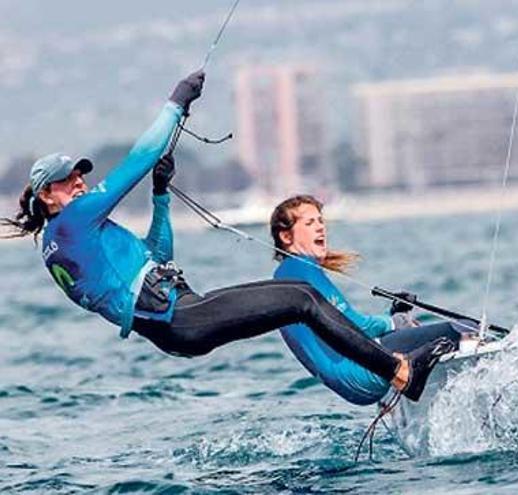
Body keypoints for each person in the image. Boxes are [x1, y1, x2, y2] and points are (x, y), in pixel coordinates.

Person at [0, 71, 447, 401]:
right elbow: (140, 156)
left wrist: (160, 196)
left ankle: (385, 351)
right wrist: (176, 103)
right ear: (46, 196)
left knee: (297, 294)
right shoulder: (73, 222)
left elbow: (157, 258)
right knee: (302, 298)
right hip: (180, 319)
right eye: (67, 180)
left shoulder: (63, 240)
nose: (78, 182)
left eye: (80, 174)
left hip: (179, 321)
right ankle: (401, 373)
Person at [270, 195, 471, 405]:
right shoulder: (301, 269)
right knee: (462, 329)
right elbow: (352, 327)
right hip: (365, 371)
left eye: (321, 221)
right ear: (286, 236)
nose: (320, 228)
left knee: (416, 335)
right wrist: (394, 321)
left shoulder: (285, 274)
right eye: (310, 223)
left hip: (354, 385)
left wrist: (391, 318)